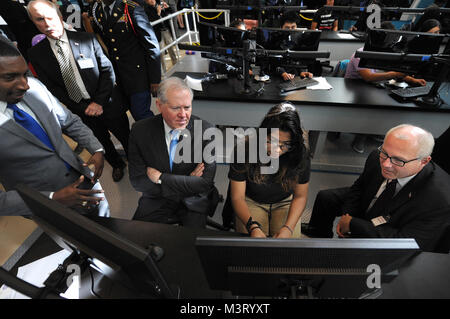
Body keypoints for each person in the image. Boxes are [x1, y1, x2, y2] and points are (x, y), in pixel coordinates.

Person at [0, 37, 109, 217]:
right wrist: (52, 198)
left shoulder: (35, 88)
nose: (25, 85)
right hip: (47, 209)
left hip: (85, 182)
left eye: (24, 74)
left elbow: (69, 121)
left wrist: (96, 148)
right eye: (10, 77)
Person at [303, 124, 450, 252]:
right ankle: (318, 234)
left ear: (424, 161)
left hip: (394, 226)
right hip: (372, 202)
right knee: (326, 198)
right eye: (384, 153)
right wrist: (347, 216)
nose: (386, 164)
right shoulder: (376, 156)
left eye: (398, 160)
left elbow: (407, 242)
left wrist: (353, 225)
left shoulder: (440, 200)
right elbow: (359, 188)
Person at [27, 0, 130, 182]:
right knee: (100, 142)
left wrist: (98, 102)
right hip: (81, 111)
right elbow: (52, 88)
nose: (47, 24)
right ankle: (117, 165)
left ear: (59, 17)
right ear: (34, 23)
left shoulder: (86, 39)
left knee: (126, 136)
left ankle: (135, 161)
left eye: (50, 17)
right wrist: (83, 108)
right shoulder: (36, 54)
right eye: (39, 19)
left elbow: (107, 70)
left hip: (108, 102)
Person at [128, 77, 217, 228]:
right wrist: (187, 181)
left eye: (187, 107)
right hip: (156, 199)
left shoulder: (207, 131)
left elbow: (204, 183)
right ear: (159, 105)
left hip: (193, 199)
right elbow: (138, 181)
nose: (183, 115)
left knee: (194, 245)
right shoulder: (139, 131)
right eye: (176, 108)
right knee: (137, 239)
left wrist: (161, 178)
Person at [228, 103, 310, 238]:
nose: (277, 150)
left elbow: (300, 196)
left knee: (287, 249)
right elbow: (238, 197)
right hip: (252, 201)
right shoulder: (244, 150)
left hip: (285, 201)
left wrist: (288, 228)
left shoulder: (301, 152)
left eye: (286, 144)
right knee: (253, 248)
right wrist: (252, 227)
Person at [344, 21, 427, 153]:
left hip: (374, 86)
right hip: (354, 87)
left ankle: (376, 130)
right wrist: (393, 74)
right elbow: (368, 76)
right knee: (374, 106)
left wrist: (413, 80)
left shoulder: (385, 52)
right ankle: (361, 137)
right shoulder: (361, 54)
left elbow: (393, 70)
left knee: (392, 102)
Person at [91, 0, 161, 121]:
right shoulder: (98, 11)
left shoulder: (131, 9)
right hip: (119, 76)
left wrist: (155, 79)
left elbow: (151, 45)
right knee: (132, 112)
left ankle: (157, 138)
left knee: (141, 113)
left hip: (138, 74)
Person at [274, 12, 314, 82]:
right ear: (281, 27)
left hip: (294, 78)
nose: (290, 30)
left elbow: (297, 61)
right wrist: (283, 73)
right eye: (287, 28)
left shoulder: (300, 39)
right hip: (276, 77)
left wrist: (301, 72)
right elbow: (272, 63)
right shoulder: (275, 40)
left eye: (293, 27)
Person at [143, 0, 178, 72]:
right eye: (149, 0)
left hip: (166, 30)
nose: (152, 0)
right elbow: (153, 20)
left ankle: (176, 64)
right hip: (157, 32)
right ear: (146, 2)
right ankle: (164, 71)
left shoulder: (159, 4)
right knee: (161, 53)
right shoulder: (146, 9)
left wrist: (167, 8)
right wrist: (158, 12)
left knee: (171, 48)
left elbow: (170, 13)